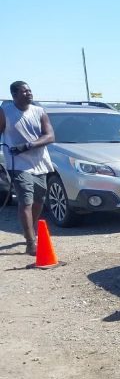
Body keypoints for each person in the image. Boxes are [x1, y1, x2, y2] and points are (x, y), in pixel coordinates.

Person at [0, 81, 55, 256]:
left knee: (39, 200)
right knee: (26, 201)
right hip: (18, 164)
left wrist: (28, 145)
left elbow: (50, 136)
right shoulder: (5, 112)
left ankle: (29, 229)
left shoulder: (39, 111)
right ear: (14, 95)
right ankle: (31, 242)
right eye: (24, 91)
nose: (29, 93)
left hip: (40, 163)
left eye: (30, 90)